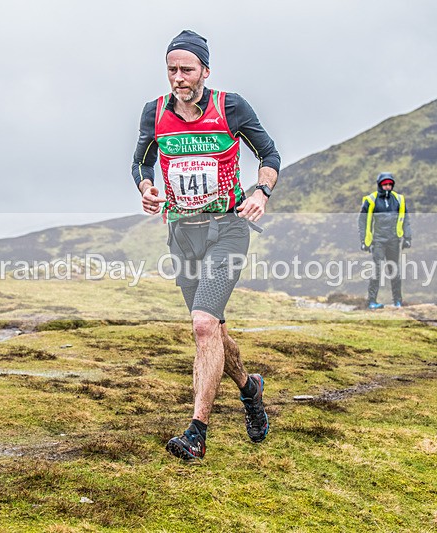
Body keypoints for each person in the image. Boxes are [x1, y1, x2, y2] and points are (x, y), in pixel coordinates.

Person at [131, 30, 280, 461]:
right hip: (182, 233)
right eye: (171, 70)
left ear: (204, 71)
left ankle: (196, 432)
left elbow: (270, 156)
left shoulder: (230, 106)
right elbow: (141, 161)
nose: (178, 78)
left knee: (201, 325)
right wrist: (146, 187)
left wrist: (260, 193)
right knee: (212, 330)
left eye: (186, 69)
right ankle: (250, 389)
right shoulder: (154, 112)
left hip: (227, 229)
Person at [358, 172, 412, 309]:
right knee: (376, 269)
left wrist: (407, 237)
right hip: (378, 241)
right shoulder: (371, 200)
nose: (387, 187)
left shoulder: (399, 200)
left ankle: (398, 301)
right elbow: (362, 221)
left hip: (394, 240)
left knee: (394, 270)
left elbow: (405, 219)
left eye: (389, 184)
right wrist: (364, 241)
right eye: (384, 184)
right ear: (380, 185)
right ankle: (371, 301)